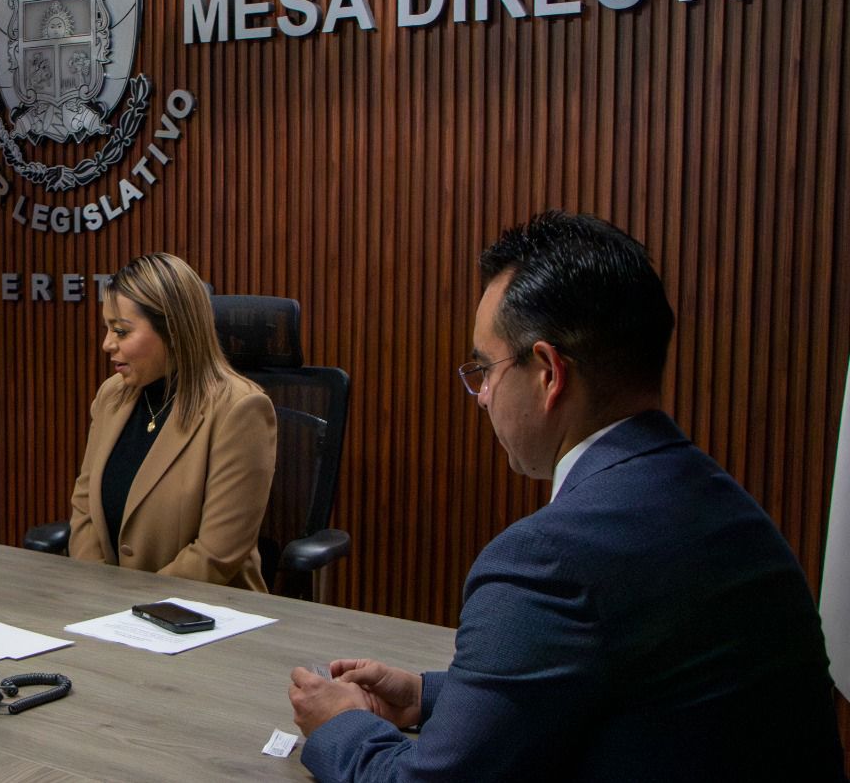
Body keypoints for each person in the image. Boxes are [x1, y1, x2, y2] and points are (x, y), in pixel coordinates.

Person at [288, 212, 845, 781]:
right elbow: (636, 686)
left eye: (485, 368)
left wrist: (341, 724)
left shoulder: (549, 559)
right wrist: (427, 696)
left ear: (550, 373)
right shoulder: (727, 508)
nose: (482, 396)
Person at [67, 252, 277, 590]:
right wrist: (99, 592)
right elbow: (84, 510)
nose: (107, 344)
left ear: (173, 331)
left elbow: (216, 555)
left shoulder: (240, 409)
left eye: (121, 331)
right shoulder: (112, 395)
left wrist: (128, 603)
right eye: (108, 329)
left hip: (203, 611)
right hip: (107, 607)